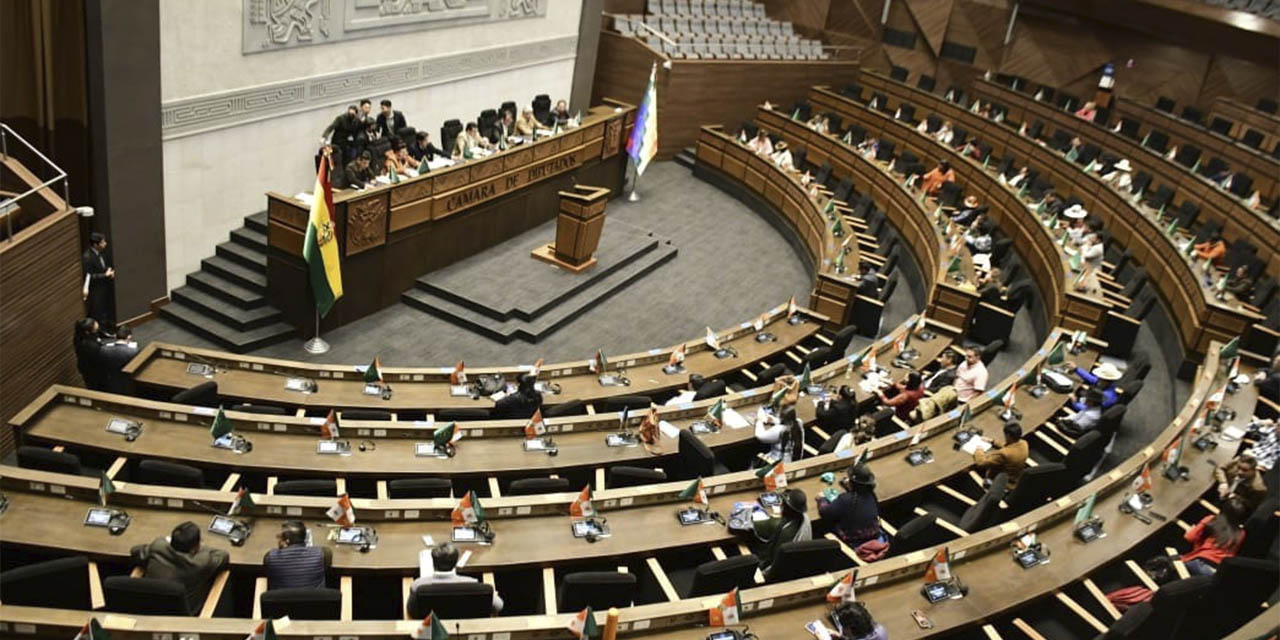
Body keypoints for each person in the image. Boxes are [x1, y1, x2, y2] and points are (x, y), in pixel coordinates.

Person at [131, 521, 230, 615]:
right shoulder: (201, 562)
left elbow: (135, 551)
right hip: (183, 617)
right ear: (194, 549)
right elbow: (223, 556)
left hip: (148, 609)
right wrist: (201, 548)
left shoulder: (158, 546)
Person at [411, 543, 504, 614]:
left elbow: (412, 610)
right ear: (455, 562)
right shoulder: (473, 584)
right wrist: (493, 596)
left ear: (433, 562)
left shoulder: (418, 585)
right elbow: (499, 606)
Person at [817, 464, 882, 548]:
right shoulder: (871, 494)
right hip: (873, 535)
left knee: (824, 525)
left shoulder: (845, 499)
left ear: (852, 483)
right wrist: (850, 488)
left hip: (853, 541)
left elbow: (824, 513)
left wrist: (821, 499)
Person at [1181, 497, 1248, 576]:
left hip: (1201, 562)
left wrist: (1190, 531)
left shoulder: (1212, 519)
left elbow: (1189, 537)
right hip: (1219, 571)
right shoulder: (1242, 533)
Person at [753, 488, 812, 573]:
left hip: (771, 570)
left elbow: (772, 558)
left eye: (783, 504)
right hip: (795, 566)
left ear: (787, 508)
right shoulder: (804, 518)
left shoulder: (783, 529)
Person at [263, 521, 332, 590]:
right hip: (313, 599)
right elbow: (327, 554)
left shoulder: (271, 557)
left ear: (287, 541)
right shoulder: (322, 554)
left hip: (281, 599)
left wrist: (283, 549)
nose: (278, 539)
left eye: (280, 537)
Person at [974, 421, 1029, 490]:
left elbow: (981, 463)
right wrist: (992, 441)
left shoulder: (1004, 454)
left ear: (1008, 436)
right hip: (1015, 476)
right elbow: (1010, 447)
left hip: (1000, 480)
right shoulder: (1024, 443)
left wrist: (979, 450)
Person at [82, 232, 116, 329]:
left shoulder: (102, 252)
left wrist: (109, 270)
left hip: (105, 286)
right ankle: (99, 331)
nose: (105, 244)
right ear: (95, 244)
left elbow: (105, 265)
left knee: (105, 309)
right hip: (95, 290)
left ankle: (106, 328)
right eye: (102, 242)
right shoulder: (87, 257)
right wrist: (104, 275)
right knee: (97, 311)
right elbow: (89, 276)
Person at [100, 323, 139, 394]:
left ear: (115, 336)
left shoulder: (103, 349)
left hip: (111, 381)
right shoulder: (134, 351)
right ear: (129, 337)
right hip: (128, 383)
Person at [74, 318, 106, 391]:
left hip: (85, 366)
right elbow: (100, 357)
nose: (97, 331)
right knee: (97, 387)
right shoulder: (90, 346)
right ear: (88, 332)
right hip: (93, 370)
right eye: (95, 329)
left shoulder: (79, 336)